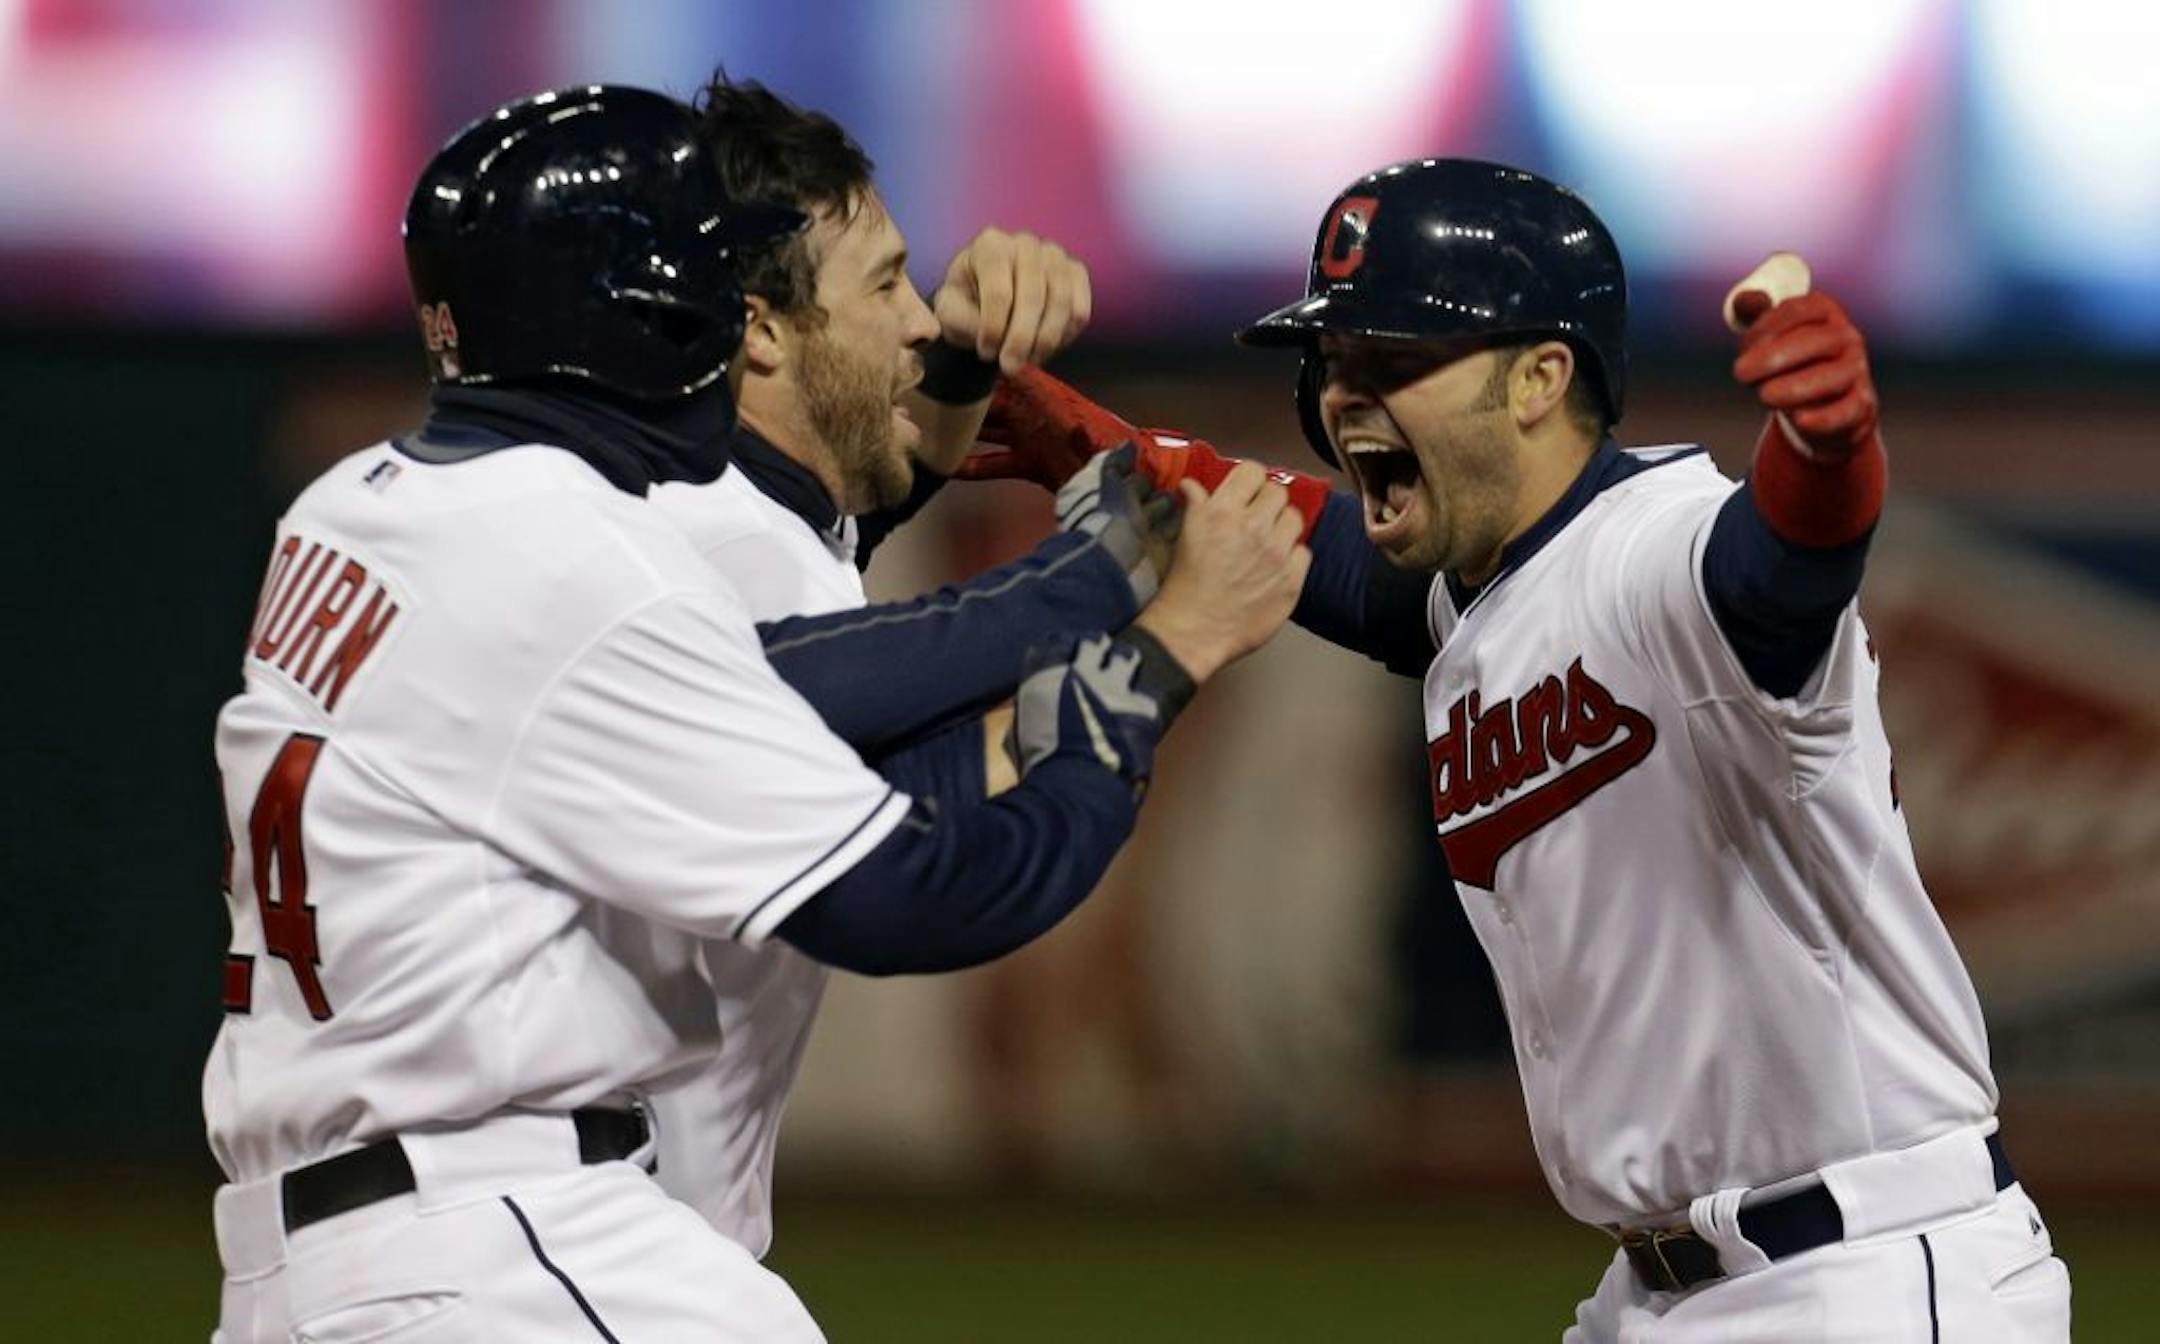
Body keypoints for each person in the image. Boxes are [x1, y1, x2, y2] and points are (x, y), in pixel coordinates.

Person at [204, 85, 1306, 1344]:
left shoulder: (360, 504)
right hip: (516, 1235)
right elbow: (905, 863)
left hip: (339, 1250)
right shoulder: (586, 559)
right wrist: (1148, 626)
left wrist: (975, 402)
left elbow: (786, 606)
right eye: (883, 284)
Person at [965, 159, 2072, 1341]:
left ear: (1544, 377)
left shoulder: (1663, 560)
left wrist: (1832, 445)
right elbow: (1307, 543)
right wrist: (1083, 443)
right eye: (1335, 365)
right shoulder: (1477, 594)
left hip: (1867, 1275)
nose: (1346, 399)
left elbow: (1787, 561)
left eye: (1394, 363)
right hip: (1666, 1292)